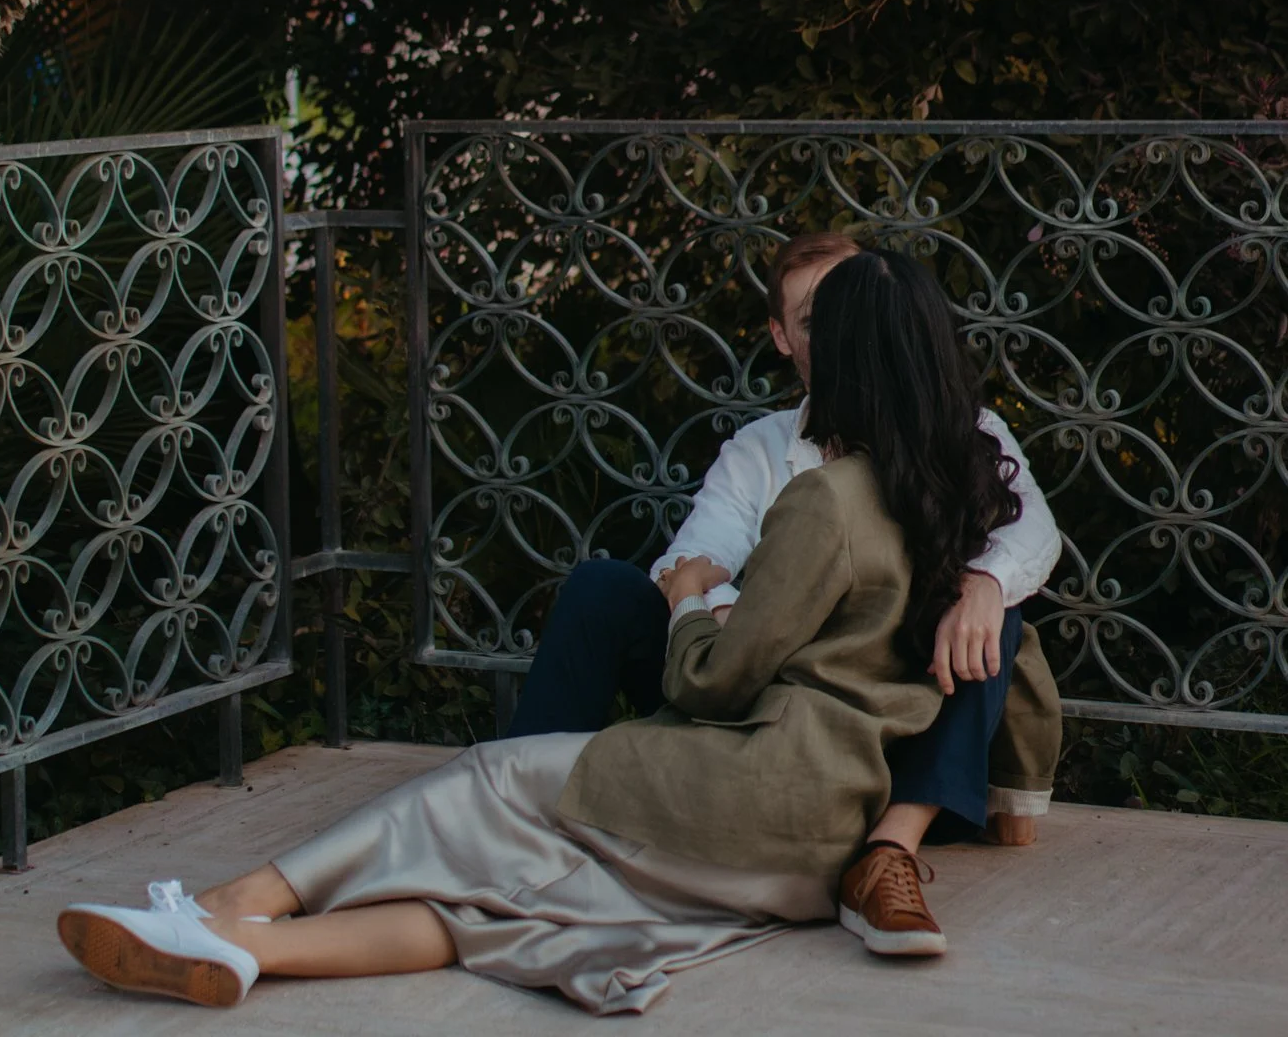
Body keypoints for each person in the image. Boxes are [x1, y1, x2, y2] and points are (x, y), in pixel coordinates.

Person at [57, 248, 1058, 1015]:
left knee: (481, 784)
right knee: (508, 904)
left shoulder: (827, 499)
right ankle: (251, 951)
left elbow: (708, 681)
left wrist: (694, 601)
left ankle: (225, 902)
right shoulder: (959, 483)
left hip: (764, 795)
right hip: (818, 844)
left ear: (833, 353)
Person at [511, 231, 1064, 866]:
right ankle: (517, 789)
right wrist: (740, 618)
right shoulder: (760, 448)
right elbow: (690, 560)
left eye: (851, 311)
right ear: (783, 336)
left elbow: (1035, 531)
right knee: (601, 588)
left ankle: (901, 830)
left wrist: (985, 583)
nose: (841, 334)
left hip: (883, 713)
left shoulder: (968, 430)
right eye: (815, 319)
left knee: (990, 613)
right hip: (758, 679)